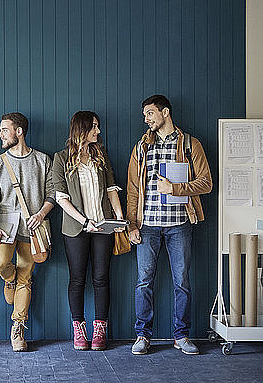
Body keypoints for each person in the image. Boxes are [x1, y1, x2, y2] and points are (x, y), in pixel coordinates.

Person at [127, 95, 213, 356]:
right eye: (145, 115)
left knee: (182, 282)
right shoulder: (142, 147)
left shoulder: (190, 144)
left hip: (180, 225)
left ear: (165, 112)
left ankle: (181, 336)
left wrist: (174, 188)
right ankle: (142, 335)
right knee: (144, 282)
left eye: (150, 113)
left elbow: (206, 183)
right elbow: (132, 189)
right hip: (147, 226)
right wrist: (132, 224)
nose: (147, 119)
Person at [52, 111, 125, 351]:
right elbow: (61, 199)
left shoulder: (100, 156)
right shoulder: (61, 159)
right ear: (81, 128)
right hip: (76, 228)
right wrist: (84, 222)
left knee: (102, 278)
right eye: (94, 127)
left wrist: (120, 216)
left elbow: (112, 188)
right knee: (77, 279)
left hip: (103, 226)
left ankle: (100, 329)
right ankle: (79, 329)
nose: (98, 131)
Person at [0, 112, 54, 352]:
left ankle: (18, 328)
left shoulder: (43, 161)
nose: (0, 134)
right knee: (1, 263)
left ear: (19, 131)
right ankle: (8, 278)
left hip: (33, 229)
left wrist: (41, 214)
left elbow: (52, 193)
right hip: (4, 227)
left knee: (26, 277)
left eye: (4, 130)